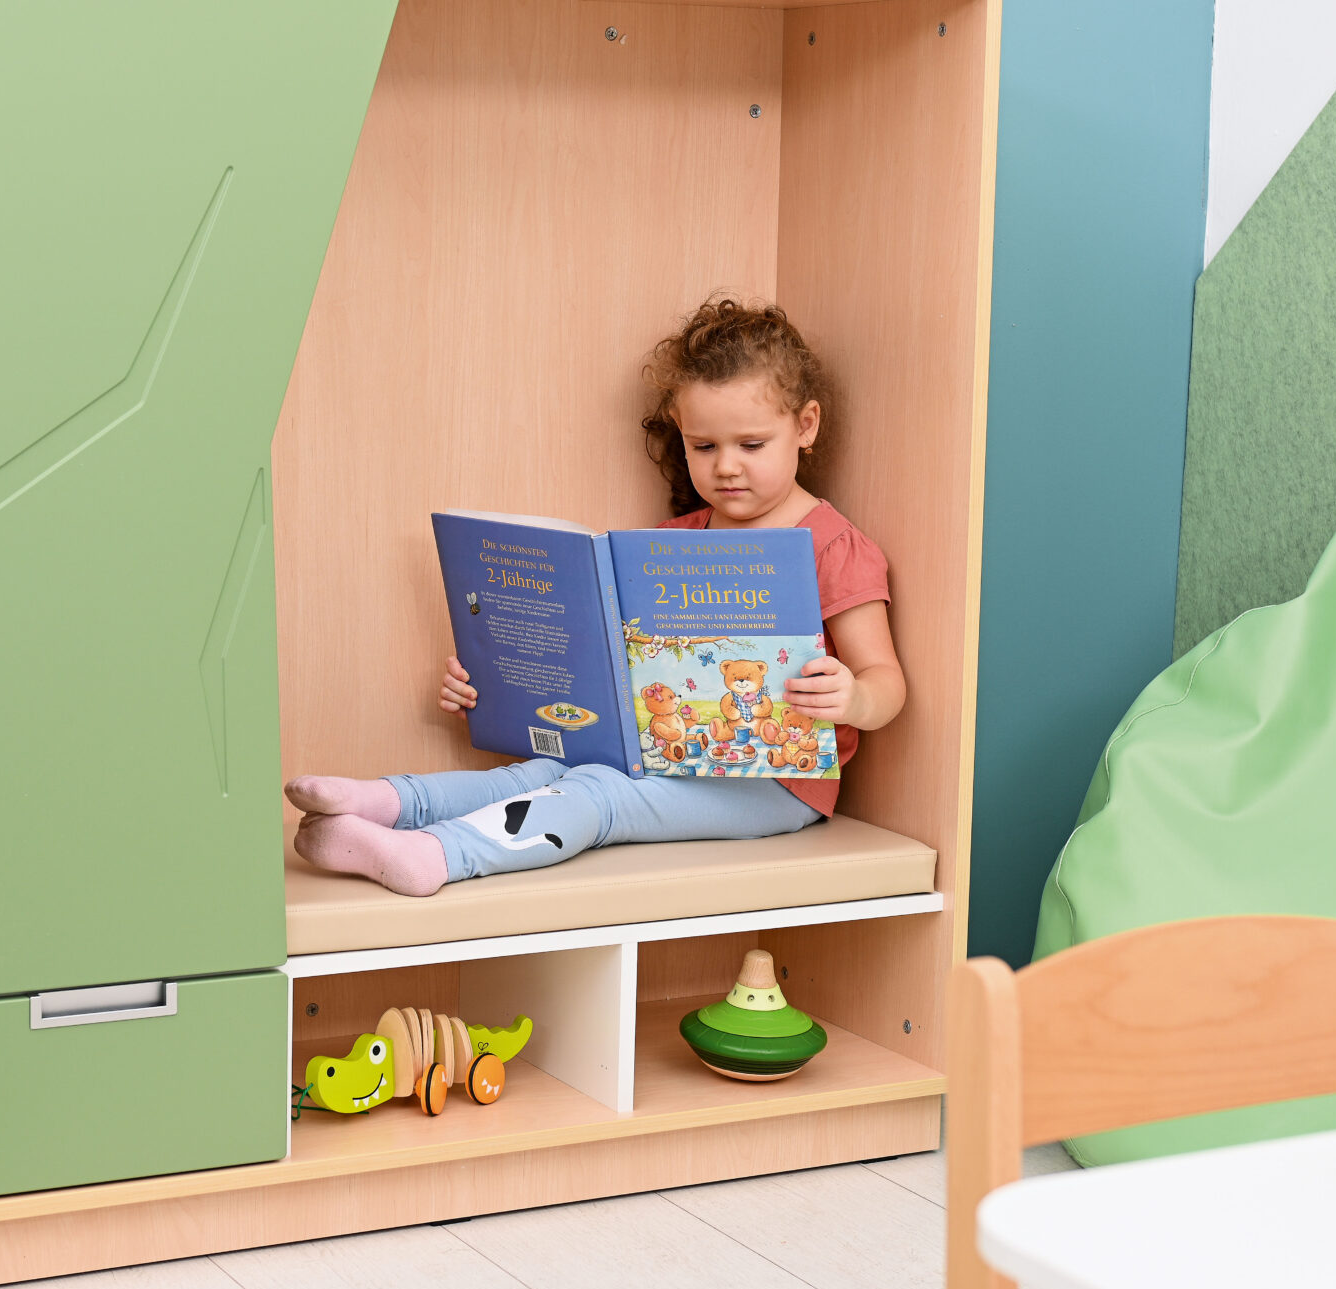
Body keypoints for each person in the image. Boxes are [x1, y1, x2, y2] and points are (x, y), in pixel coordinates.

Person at [288, 297, 906, 896]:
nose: (725, 467)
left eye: (751, 445)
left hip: (774, 784)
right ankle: (385, 805)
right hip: (662, 753)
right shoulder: (665, 546)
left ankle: (437, 856)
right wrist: (493, 682)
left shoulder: (832, 546)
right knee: (541, 773)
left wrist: (854, 698)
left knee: (599, 797)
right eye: (703, 446)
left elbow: (886, 681)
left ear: (805, 426)